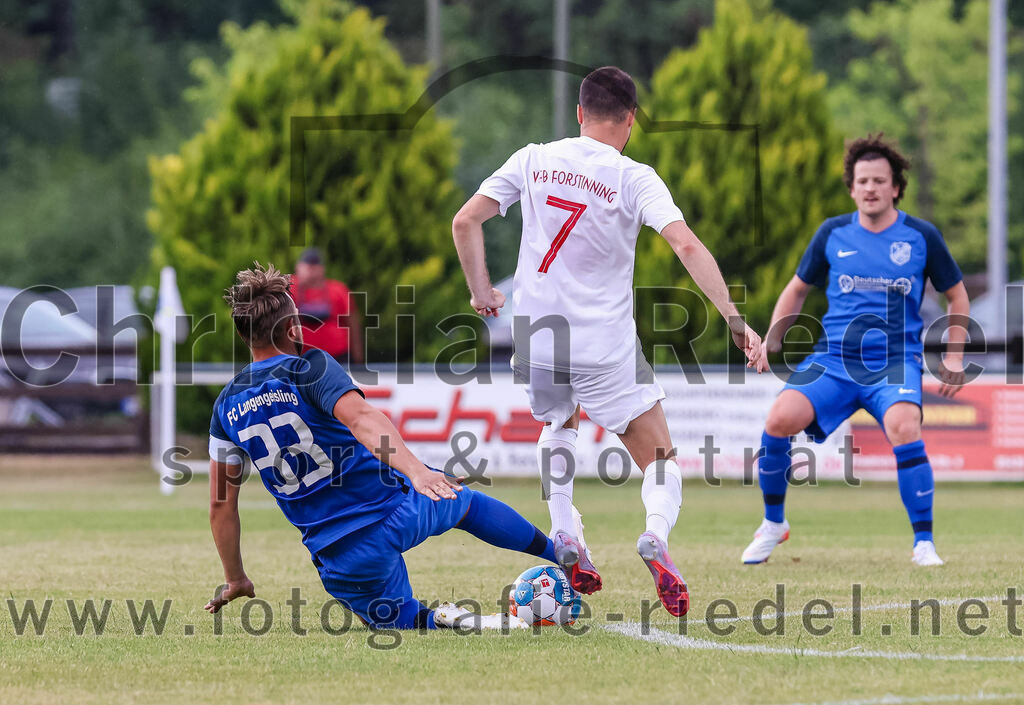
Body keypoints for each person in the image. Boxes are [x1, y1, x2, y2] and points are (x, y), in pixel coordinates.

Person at [452, 66, 767, 617]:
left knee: (557, 424)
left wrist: (482, 292)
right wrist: (735, 320)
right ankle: (654, 538)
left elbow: (465, 221)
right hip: (604, 343)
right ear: (630, 120)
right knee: (661, 459)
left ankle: (564, 530)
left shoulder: (532, 158)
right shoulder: (634, 176)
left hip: (534, 335)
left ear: (578, 113)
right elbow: (686, 246)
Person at [204, 263, 560, 629]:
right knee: (466, 504)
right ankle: (561, 555)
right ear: (294, 328)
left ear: (243, 334)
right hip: (396, 510)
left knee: (400, 621)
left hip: (340, 554)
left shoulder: (226, 407)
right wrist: (418, 471)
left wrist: (236, 578)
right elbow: (362, 420)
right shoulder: (308, 367)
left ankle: (451, 619)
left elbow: (220, 503)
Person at [741, 134, 969, 567]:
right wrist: (772, 341)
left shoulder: (921, 237)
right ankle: (774, 524)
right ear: (851, 187)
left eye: (879, 181)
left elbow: (958, 297)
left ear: (895, 187)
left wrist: (954, 356)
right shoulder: (832, 232)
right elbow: (796, 290)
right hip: (835, 361)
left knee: (905, 426)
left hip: (895, 363)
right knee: (778, 419)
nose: (870, 188)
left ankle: (924, 543)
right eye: (862, 180)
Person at [291, 248, 364, 365]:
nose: (311, 271)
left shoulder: (338, 290)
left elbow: (353, 325)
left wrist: (358, 359)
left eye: (315, 267)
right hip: (300, 359)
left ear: (323, 269)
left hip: (337, 358)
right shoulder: (289, 289)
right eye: (308, 266)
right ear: (298, 267)